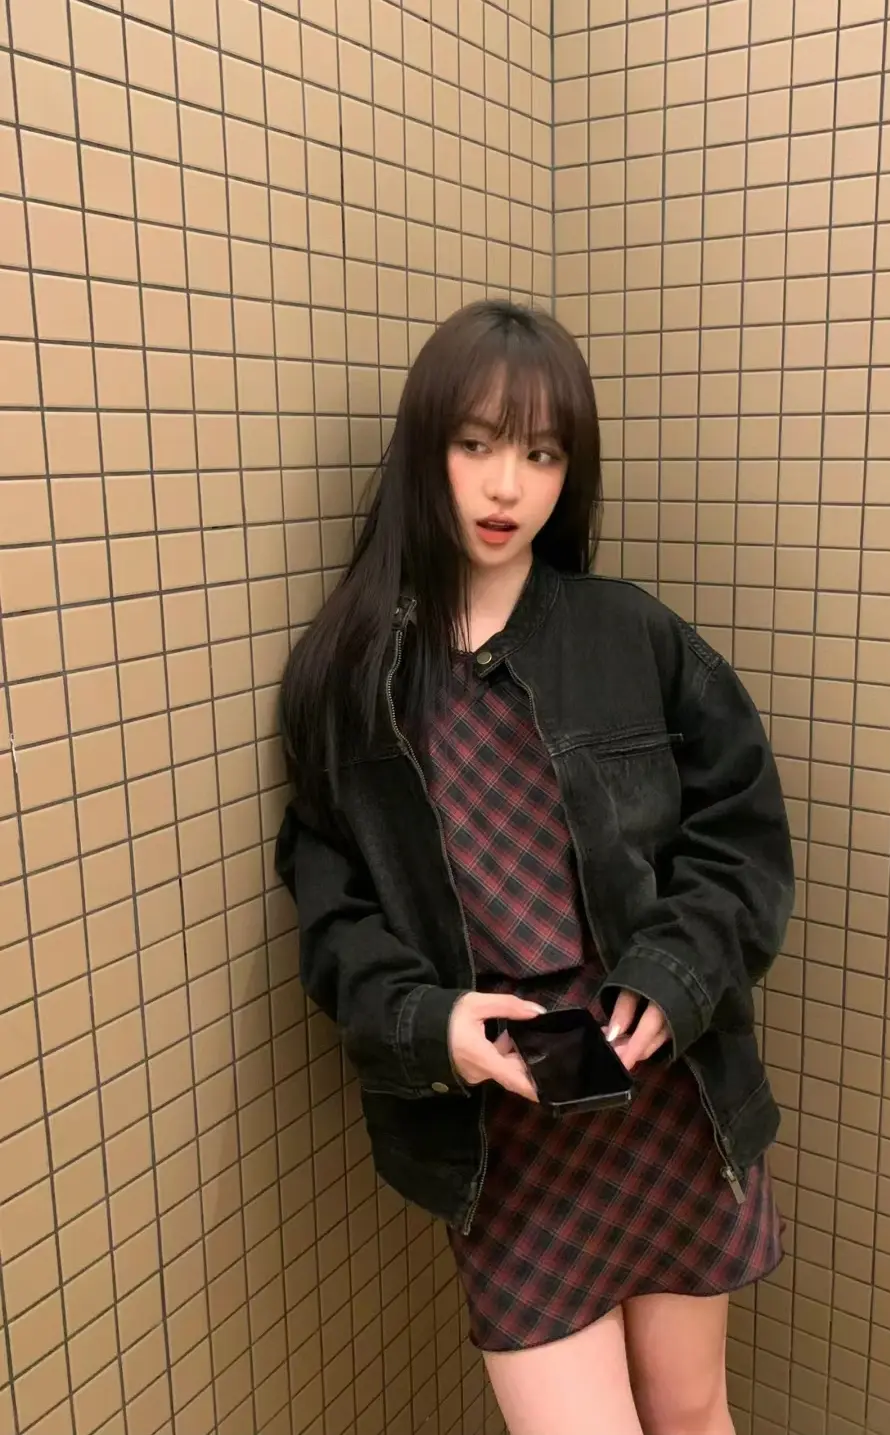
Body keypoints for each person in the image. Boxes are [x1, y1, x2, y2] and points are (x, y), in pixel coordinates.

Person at [274, 299, 794, 1435]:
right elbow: (333, 916)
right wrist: (431, 1025)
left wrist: (676, 973)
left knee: (691, 1409)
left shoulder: (630, 634)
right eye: (476, 443)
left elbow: (743, 835)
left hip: (665, 1090)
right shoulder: (349, 678)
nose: (507, 485)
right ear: (427, 448)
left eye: (543, 453)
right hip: (506, 1131)